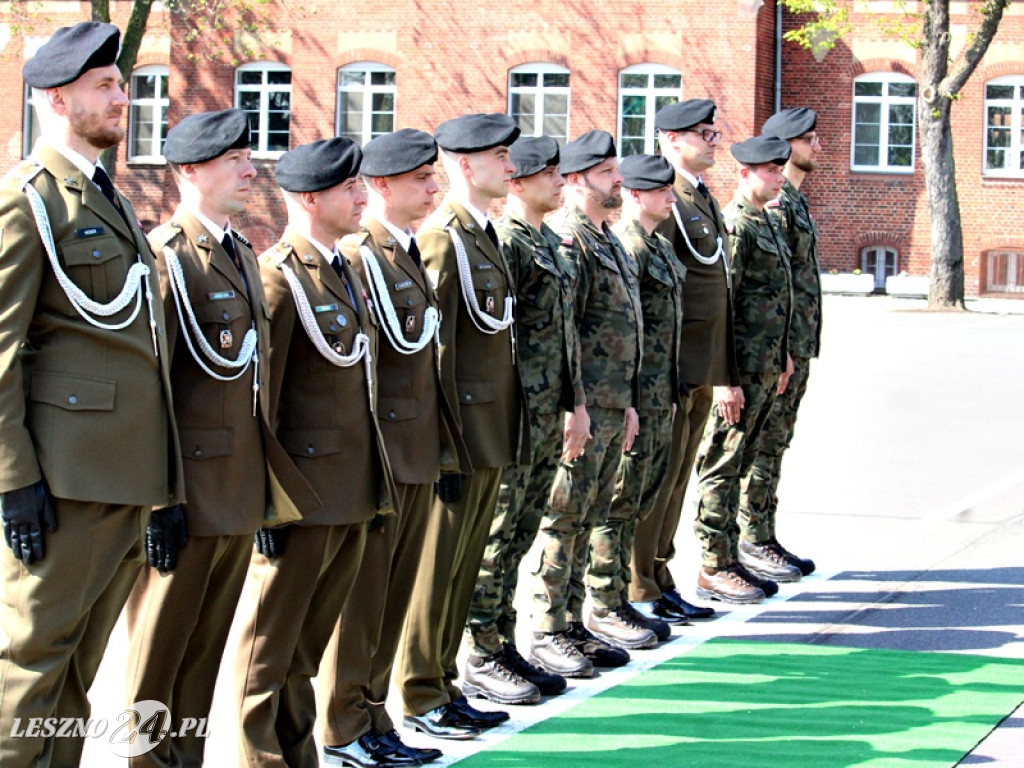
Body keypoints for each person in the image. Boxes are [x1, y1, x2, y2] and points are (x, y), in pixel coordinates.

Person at [0, 21, 183, 766]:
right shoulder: (29, 201)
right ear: (54, 97)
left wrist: (164, 485)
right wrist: (12, 480)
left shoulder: (101, 195)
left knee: (77, 674)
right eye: (105, 85)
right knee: (30, 666)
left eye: (120, 82)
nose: (123, 96)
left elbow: (141, 349)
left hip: (123, 475)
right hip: (64, 479)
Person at [127, 108, 316, 768]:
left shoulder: (237, 253)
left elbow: (250, 386)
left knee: (202, 658)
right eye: (233, 158)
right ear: (188, 171)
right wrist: (160, 500)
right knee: (156, 663)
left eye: (247, 156)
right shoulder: (167, 257)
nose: (250, 168)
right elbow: (152, 391)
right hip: (187, 495)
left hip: (234, 489)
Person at [232, 137, 396, 767]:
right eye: (349, 187)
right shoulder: (278, 277)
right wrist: (268, 507)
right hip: (302, 495)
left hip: (350, 488)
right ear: (308, 197)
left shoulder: (342, 268)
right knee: (267, 653)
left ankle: (298, 754)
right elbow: (263, 407)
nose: (362, 196)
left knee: (307, 648)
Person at [318, 128, 469, 767]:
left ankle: (375, 713)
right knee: (364, 602)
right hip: (380, 455)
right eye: (421, 179)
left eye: (435, 178)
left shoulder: (403, 253)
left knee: (393, 596)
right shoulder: (360, 258)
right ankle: (345, 725)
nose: (434, 188)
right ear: (382, 187)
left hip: (415, 452)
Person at [398, 113, 528, 740]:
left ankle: (445, 681)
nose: (511, 167)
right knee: (438, 568)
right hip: (460, 439)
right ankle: (421, 691)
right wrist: (445, 448)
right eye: (500, 157)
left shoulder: (483, 233)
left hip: (489, 431)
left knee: (464, 565)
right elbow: (433, 354)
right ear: (465, 165)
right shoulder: (444, 239)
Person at [463, 136, 582, 702]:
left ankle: (501, 640)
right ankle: (480, 652)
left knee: (519, 535)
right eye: (548, 174)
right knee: (497, 533)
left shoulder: (547, 244)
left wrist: (574, 404)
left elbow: (566, 336)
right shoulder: (508, 243)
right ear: (517, 185)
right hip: (514, 416)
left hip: (543, 415)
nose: (560, 182)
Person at [531, 129, 649, 672]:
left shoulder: (607, 240)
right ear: (577, 181)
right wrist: (573, 407)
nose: (617, 180)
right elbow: (567, 333)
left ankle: (574, 623)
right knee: (564, 518)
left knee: (590, 515)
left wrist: (623, 403)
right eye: (605, 173)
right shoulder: (572, 242)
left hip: (609, 403)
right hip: (583, 409)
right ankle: (548, 628)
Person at [629, 99, 741, 617]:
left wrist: (719, 370)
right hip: (674, 369)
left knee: (676, 478)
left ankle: (658, 568)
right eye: (703, 133)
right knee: (658, 477)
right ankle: (640, 583)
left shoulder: (698, 197)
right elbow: (660, 295)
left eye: (714, 133)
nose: (713, 141)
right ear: (671, 140)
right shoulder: (664, 198)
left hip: (699, 365)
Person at [693, 134, 796, 603]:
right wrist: (724, 378)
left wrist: (782, 354)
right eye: (770, 171)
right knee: (723, 462)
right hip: (740, 370)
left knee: (744, 461)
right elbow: (726, 305)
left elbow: (777, 295)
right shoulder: (738, 225)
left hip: (765, 365)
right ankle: (713, 563)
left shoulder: (767, 220)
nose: (778, 177)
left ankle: (730, 557)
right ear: (745, 173)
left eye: (780, 170)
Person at [737, 108, 823, 580]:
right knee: (763, 443)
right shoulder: (777, 204)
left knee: (776, 443)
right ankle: (753, 537)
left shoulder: (793, 199)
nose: (818, 147)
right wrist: (786, 349)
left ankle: (762, 533)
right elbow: (772, 286)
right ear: (786, 146)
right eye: (809, 140)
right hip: (778, 350)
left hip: (796, 345)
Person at [610, 154, 688, 639]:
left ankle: (632, 591)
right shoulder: (630, 247)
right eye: (661, 190)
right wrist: (631, 400)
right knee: (620, 502)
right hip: (639, 397)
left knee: (641, 499)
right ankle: (616, 596)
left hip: (662, 394)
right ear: (635, 194)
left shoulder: (656, 247)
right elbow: (624, 334)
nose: (671, 197)